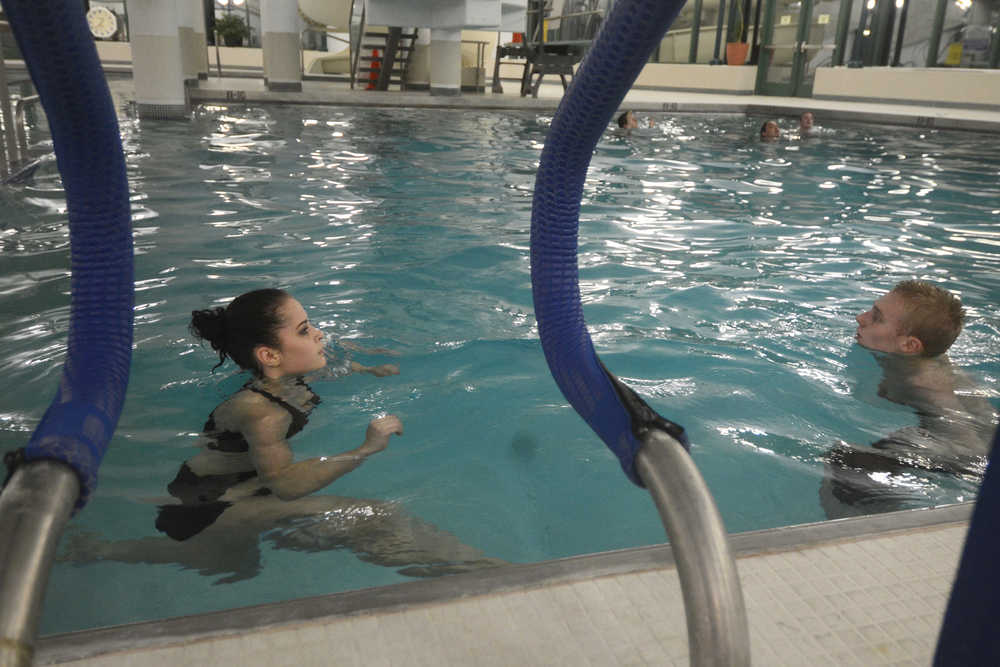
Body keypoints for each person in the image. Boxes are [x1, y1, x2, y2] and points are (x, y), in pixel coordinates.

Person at [61, 288, 504, 581]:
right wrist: (365, 449)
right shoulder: (260, 411)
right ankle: (488, 575)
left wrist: (367, 367)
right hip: (212, 503)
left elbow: (325, 371)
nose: (320, 334)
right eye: (305, 331)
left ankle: (99, 550)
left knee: (228, 563)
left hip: (231, 489)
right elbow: (286, 485)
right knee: (374, 516)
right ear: (270, 355)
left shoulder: (282, 381)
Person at [821, 280, 997, 518]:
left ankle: (862, 530)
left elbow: (974, 456)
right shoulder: (924, 362)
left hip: (969, 457)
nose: (861, 318)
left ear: (910, 345)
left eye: (877, 317)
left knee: (848, 460)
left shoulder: (925, 387)